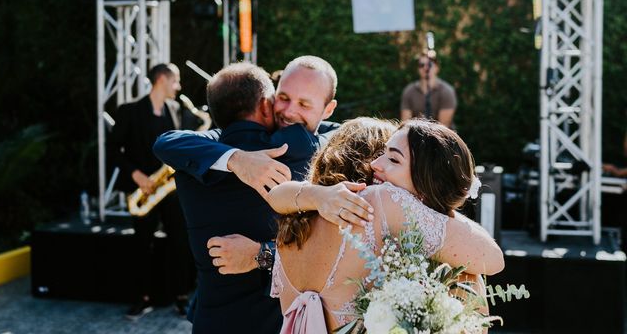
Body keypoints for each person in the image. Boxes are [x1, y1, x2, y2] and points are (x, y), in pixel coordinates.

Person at [153, 61, 352, 334]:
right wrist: (238, 160)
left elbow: (165, 142)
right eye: (282, 99)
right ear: (265, 105)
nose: (290, 112)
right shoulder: (302, 148)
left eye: (304, 105)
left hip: (212, 323)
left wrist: (231, 156)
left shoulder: (198, 158)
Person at [267, 118, 504, 332]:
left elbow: (277, 196)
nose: (375, 165)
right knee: (468, 276)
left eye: (392, 158)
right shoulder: (380, 201)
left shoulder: (291, 224)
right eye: (379, 155)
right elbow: (492, 258)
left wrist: (314, 195)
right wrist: (437, 204)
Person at [107, 63, 191, 320]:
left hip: (169, 190)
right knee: (143, 245)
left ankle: (181, 297)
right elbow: (112, 150)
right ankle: (141, 297)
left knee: (180, 242)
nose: (178, 87)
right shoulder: (129, 111)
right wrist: (136, 175)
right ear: (162, 79)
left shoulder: (175, 110)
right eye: (175, 81)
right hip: (143, 189)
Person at [401, 54, 457, 128]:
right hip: (415, 135)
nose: (425, 68)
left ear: (437, 68)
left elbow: (443, 126)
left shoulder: (447, 91)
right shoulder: (409, 91)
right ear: (418, 69)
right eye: (422, 65)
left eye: (429, 64)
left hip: (442, 137)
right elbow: (406, 124)